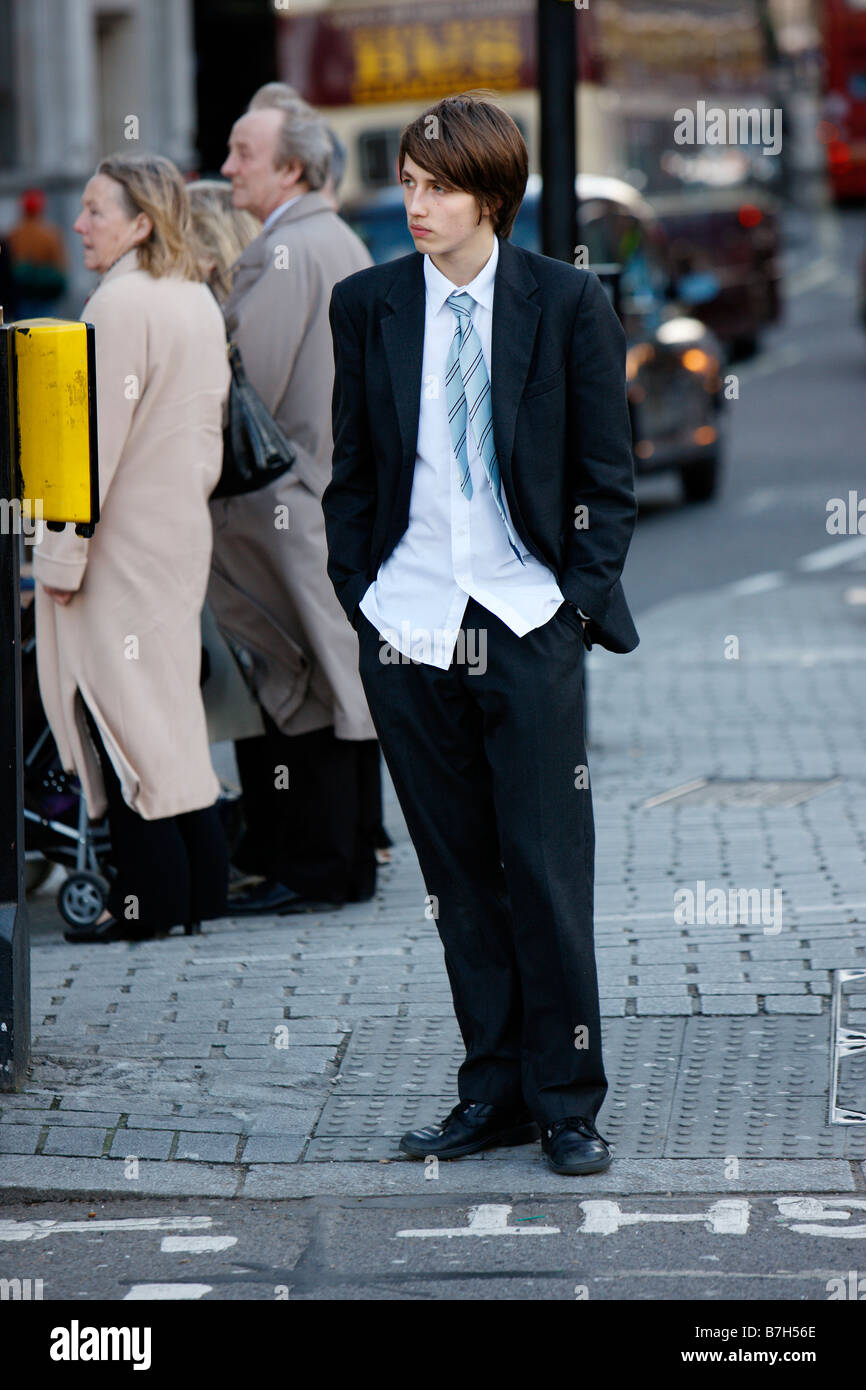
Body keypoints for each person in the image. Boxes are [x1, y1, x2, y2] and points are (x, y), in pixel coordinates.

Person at [322, 93, 639, 1176]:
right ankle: (492, 1091)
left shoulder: (566, 303)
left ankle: (566, 1101)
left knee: (546, 871)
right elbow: (353, 471)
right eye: (406, 183)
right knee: (459, 877)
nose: (413, 204)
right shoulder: (366, 306)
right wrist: (361, 598)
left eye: (436, 186)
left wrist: (575, 606)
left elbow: (607, 474)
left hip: (524, 620)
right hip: (408, 626)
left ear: (489, 194)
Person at [33, 153, 231, 943]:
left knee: (120, 722)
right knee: (167, 716)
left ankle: (147, 903)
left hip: (116, 541)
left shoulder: (115, 306)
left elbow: (91, 448)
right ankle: (196, 888)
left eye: (94, 210)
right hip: (176, 532)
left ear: (141, 222)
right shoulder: (193, 297)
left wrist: (58, 556)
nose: (77, 224)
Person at [210, 83, 389, 915]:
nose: (227, 166)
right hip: (316, 498)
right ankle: (344, 863)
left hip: (278, 507)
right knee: (331, 678)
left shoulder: (285, 251)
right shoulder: (334, 239)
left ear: (290, 168)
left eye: (245, 153)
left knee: (297, 684)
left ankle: (316, 869)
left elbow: (249, 385)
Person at [6, 189, 68, 317]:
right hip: (45, 297)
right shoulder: (51, 234)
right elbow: (62, 267)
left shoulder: (14, 235)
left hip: (21, 297)